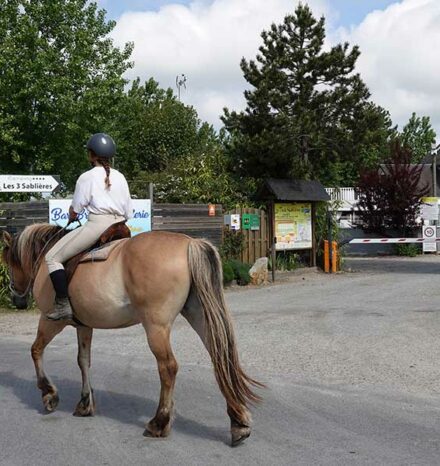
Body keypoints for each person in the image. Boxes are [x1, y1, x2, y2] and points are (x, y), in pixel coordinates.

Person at [45, 133, 133, 321]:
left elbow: (76, 209)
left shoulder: (87, 177)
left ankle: (62, 305)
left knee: (52, 258)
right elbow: (129, 212)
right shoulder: (121, 177)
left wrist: (72, 213)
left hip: (98, 225)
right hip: (121, 226)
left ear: (92, 155)